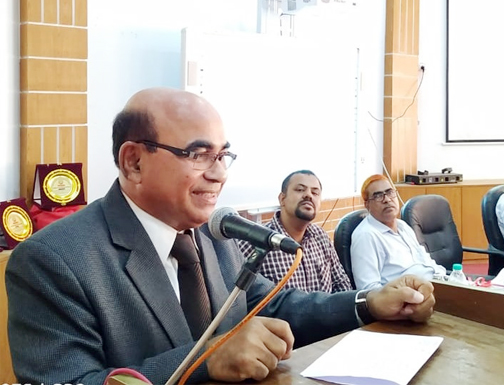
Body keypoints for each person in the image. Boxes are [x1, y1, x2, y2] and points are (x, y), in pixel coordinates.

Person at [5, 88, 435, 384]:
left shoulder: (214, 232)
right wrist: (205, 361)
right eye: (198, 154)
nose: (219, 174)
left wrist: (368, 302)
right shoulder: (52, 261)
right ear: (133, 162)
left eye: (224, 154)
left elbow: (275, 304)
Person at [237, 170, 352, 293]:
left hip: (327, 312)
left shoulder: (321, 237)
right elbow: (239, 299)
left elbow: (341, 284)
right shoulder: (254, 241)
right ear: (282, 199)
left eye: (315, 192)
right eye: (300, 190)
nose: (308, 195)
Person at [350, 175, 446, 291]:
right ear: (367, 205)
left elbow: (427, 262)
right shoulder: (366, 236)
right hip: (410, 300)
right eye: (378, 196)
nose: (387, 199)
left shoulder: (403, 226)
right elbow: (368, 290)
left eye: (390, 192)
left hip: (436, 286)